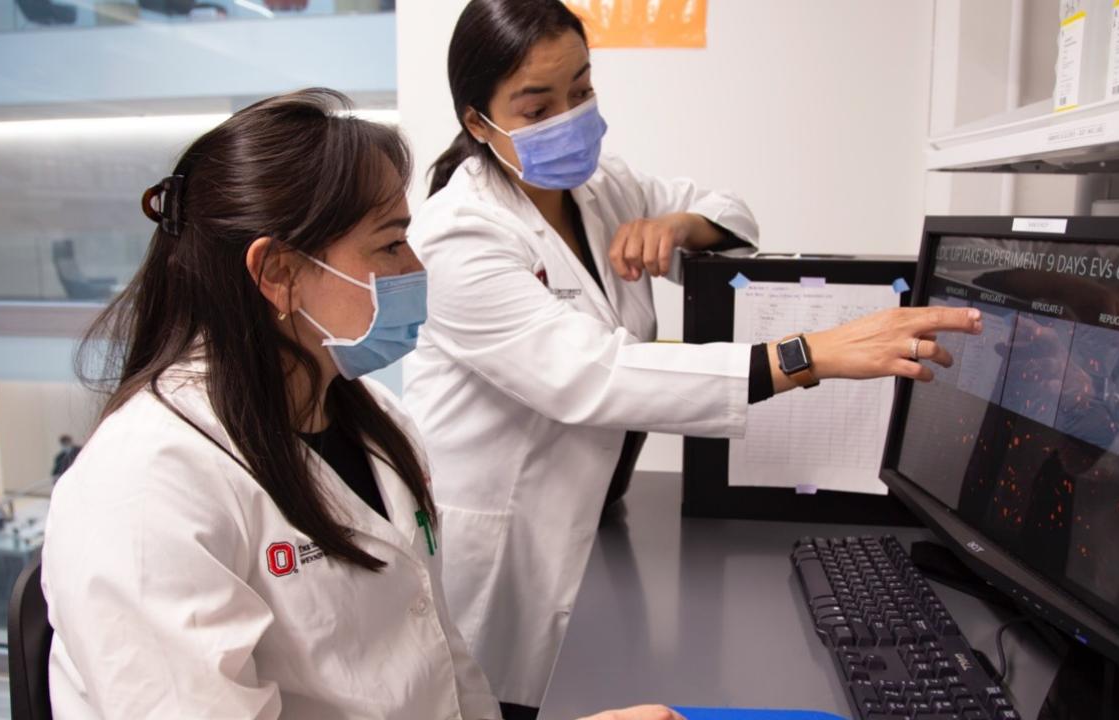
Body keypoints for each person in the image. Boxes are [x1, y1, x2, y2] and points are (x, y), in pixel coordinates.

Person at [402, 2, 984, 717]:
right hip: (502, 551)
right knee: (505, 703)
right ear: (476, 121)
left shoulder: (603, 188)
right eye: (538, 106)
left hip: (594, 523)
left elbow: (731, 213)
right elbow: (597, 376)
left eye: (582, 90)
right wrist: (814, 355)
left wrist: (677, 225)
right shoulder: (456, 236)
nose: (571, 115)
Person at [41, 88, 677, 720]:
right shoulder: (148, 487)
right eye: (390, 243)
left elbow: (442, 674)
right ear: (277, 273)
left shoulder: (373, 419)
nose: (416, 264)